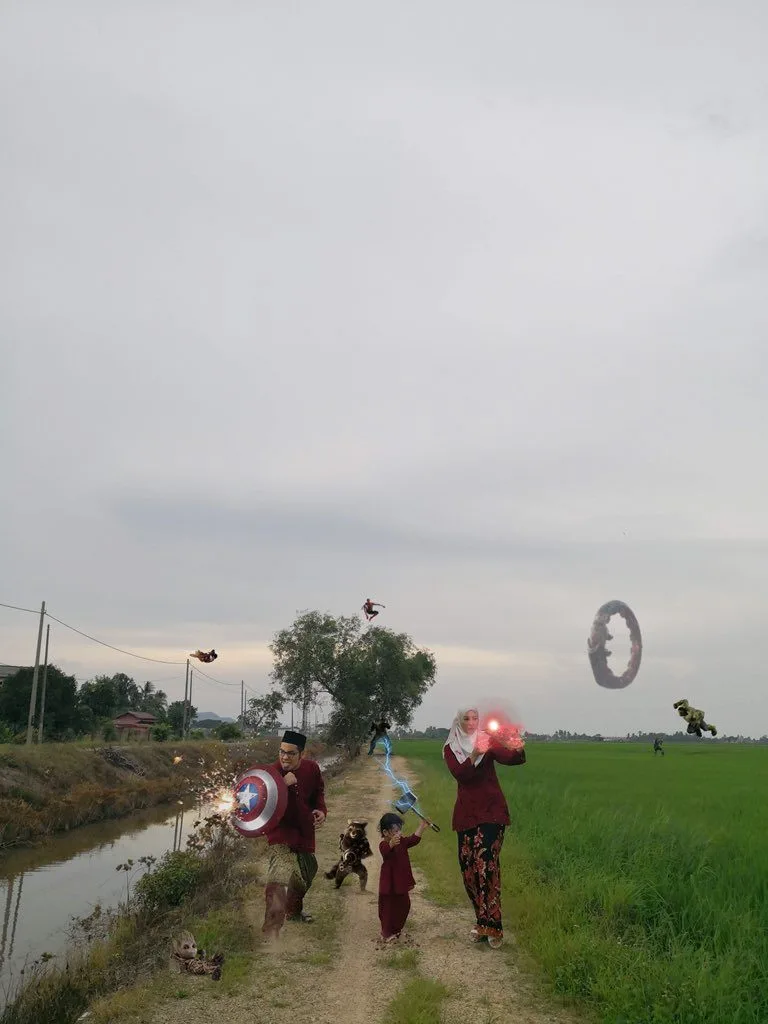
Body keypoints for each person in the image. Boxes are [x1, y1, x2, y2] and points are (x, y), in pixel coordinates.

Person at [443, 708, 526, 948]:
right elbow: (461, 775)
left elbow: (513, 758)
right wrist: (474, 754)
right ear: (458, 721)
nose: (471, 722)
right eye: (466, 718)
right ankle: (482, 921)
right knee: (468, 869)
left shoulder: (486, 740)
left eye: (475, 718)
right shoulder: (451, 748)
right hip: (466, 815)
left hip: (492, 811)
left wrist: (515, 743)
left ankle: (494, 926)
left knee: (487, 866)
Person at [262, 730, 327, 940]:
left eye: (290, 753)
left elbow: (318, 794)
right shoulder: (272, 774)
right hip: (281, 831)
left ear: (302, 754)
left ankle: (294, 911)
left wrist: (321, 811)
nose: (284, 757)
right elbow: (262, 801)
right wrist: (282, 785)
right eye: (282, 752)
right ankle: (272, 928)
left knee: (308, 870)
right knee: (279, 876)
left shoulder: (312, 769)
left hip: (304, 830)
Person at [377, 812, 428, 943]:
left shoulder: (402, 842)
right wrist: (391, 844)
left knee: (404, 905)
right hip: (389, 884)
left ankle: (396, 929)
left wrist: (422, 826)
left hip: (401, 882)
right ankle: (386, 932)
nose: (399, 833)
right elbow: (385, 851)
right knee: (388, 908)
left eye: (400, 830)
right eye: (396, 831)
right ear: (385, 832)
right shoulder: (384, 844)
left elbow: (413, 839)